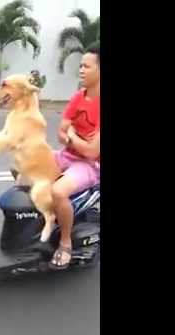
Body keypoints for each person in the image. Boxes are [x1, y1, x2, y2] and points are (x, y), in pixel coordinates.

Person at [49, 45, 100, 269]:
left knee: (58, 191)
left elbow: (91, 151)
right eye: (80, 65)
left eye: (86, 66)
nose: (80, 70)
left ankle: (65, 242)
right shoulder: (77, 98)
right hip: (67, 155)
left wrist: (70, 134)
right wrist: (72, 137)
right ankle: (46, 218)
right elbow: (60, 134)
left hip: (89, 165)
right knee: (22, 165)